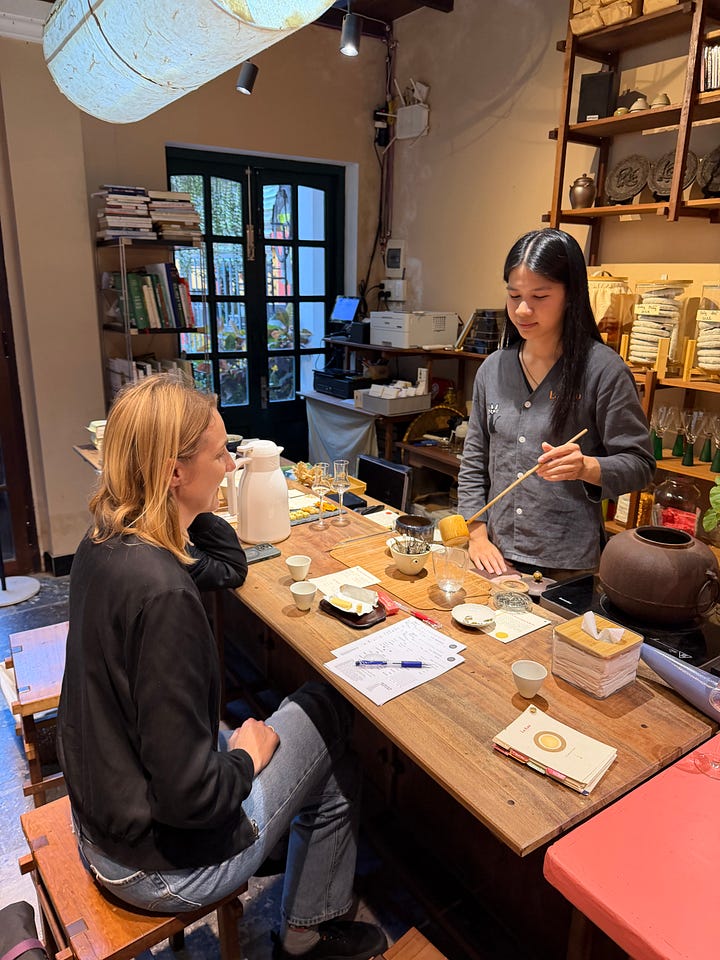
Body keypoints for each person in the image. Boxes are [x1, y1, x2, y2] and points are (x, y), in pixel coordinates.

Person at [57, 374, 386, 960]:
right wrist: (247, 757)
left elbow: (229, 567)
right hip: (158, 867)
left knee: (305, 729)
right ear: (172, 471)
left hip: (103, 823)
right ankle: (308, 932)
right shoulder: (164, 594)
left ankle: (287, 843)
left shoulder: (108, 539)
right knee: (330, 709)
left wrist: (188, 507)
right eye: (219, 456)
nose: (231, 466)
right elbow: (190, 799)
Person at [457, 228, 655, 579]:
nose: (522, 309)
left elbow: (640, 465)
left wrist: (587, 467)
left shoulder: (603, 370)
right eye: (514, 295)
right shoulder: (494, 369)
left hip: (566, 564)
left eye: (540, 296)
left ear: (571, 295)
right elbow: (474, 460)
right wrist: (477, 535)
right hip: (496, 554)